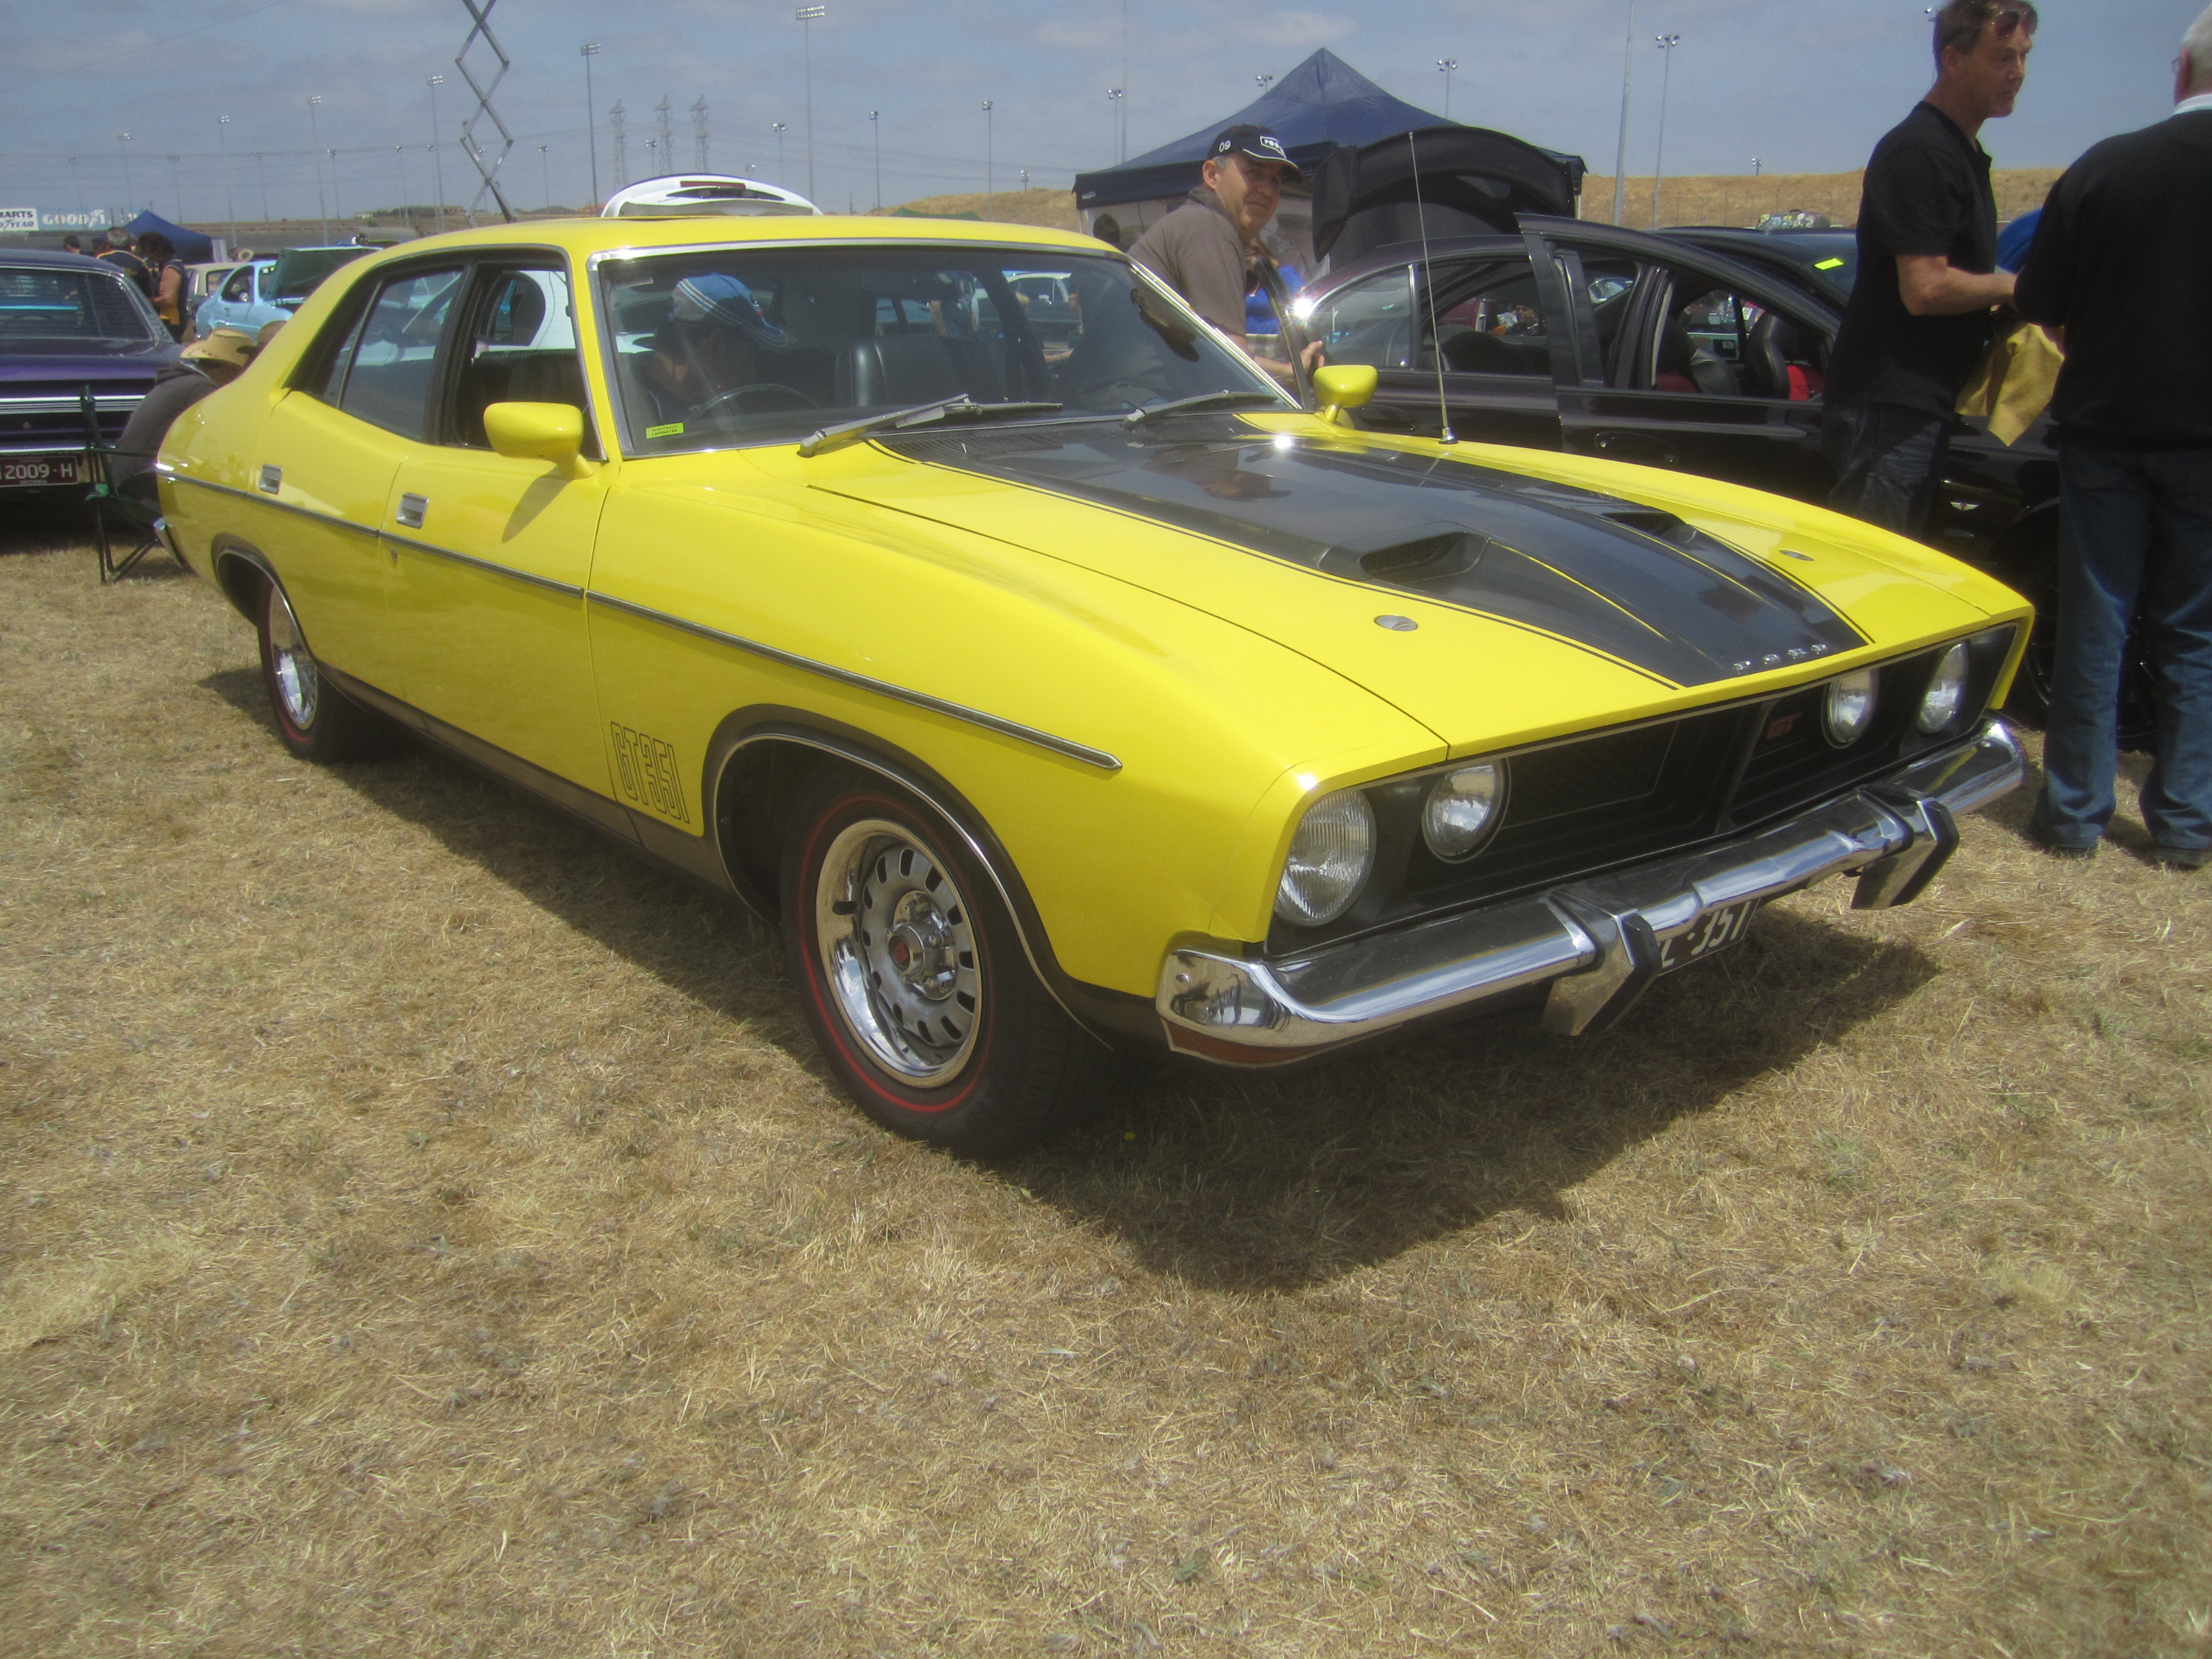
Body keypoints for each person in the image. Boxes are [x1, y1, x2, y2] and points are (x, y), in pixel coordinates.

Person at [2013, 6, 2212, 870]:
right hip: (2206, 445)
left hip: (2103, 432)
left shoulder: (2105, 168)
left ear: (2180, 70)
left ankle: (2073, 814)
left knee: (2097, 621)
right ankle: (2184, 823)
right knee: (2196, 633)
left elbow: (2036, 297)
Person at [1822, 0, 2034, 536]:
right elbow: (1925, 287)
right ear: (1953, 59)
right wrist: (2012, 288)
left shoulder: (1958, 152)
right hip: (1890, 410)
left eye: (2024, 57)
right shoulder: (1920, 152)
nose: (2018, 73)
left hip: (1919, 406)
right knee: (1869, 578)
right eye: (2002, 57)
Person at [1128, 124, 1324, 387]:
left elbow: (1215, 350)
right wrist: (1290, 373)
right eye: (1254, 173)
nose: (1267, 190)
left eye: (1275, 180)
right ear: (1212, 175)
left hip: (1131, 398)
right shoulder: (1209, 227)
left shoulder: (1198, 222)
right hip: (1137, 402)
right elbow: (1231, 364)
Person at [112, 327, 261, 508]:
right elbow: (220, 440)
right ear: (227, 369)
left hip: (132, 472)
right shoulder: (200, 388)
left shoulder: (185, 381)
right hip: (143, 480)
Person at [637, 273, 810, 424]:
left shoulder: (619, 408)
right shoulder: (625, 413)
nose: (752, 375)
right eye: (749, 356)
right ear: (716, 344)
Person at [139, 231, 188, 342]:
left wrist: (143, 300)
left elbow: (168, 300)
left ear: (158, 250)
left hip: (170, 320)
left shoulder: (171, 269)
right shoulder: (163, 267)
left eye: (147, 251)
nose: (146, 255)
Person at [96, 227, 152, 297]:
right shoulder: (140, 263)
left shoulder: (100, 260)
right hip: (132, 305)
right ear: (129, 242)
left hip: (105, 303)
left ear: (108, 242)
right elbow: (148, 293)